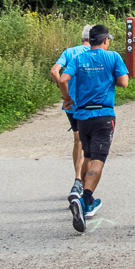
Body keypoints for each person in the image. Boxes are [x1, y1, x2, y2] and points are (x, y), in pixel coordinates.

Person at [57, 25, 129, 233]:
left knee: (87, 153)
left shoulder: (78, 58)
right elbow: (124, 83)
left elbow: (62, 78)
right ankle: (85, 199)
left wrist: (66, 98)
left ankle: (84, 195)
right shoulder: (112, 57)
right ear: (105, 40)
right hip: (103, 114)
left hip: (82, 116)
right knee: (99, 159)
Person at [50, 24, 92, 203]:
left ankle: (78, 178)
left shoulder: (69, 52)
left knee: (78, 139)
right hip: (88, 102)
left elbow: (54, 71)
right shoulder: (95, 53)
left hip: (70, 103)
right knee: (84, 140)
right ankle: (79, 181)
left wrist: (64, 93)